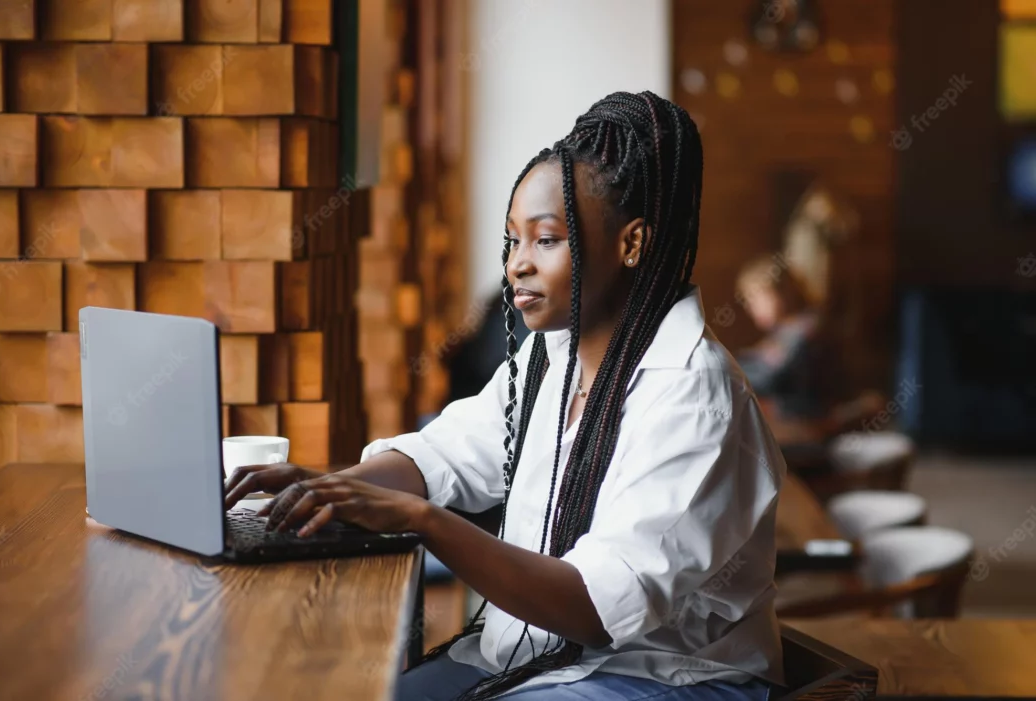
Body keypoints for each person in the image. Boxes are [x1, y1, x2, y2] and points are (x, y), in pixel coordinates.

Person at [224, 91, 786, 701]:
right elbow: (446, 455)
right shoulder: (554, 356)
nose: (517, 264)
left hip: (662, 678)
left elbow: (595, 607)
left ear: (632, 243)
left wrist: (422, 521)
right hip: (549, 660)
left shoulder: (692, 393)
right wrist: (331, 489)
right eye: (513, 241)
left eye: (545, 240)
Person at [734, 255, 830, 422]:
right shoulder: (787, 330)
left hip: (807, 425)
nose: (750, 307)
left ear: (781, 293)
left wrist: (726, 370)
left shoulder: (803, 330)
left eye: (756, 298)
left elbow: (768, 378)